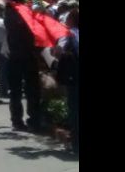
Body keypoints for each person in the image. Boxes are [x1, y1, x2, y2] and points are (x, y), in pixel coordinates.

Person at [3, 0, 42, 132]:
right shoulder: (27, 13)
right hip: (28, 55)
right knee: (32, 90)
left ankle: (17, 121)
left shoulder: (8, 14)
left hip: (13, 56)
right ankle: (34, 120)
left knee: (15, 91)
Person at [53, 9, 79, 154]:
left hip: (74, 77)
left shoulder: (67, 34)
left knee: (74, 110)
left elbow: (57, 52)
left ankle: (76, 144)